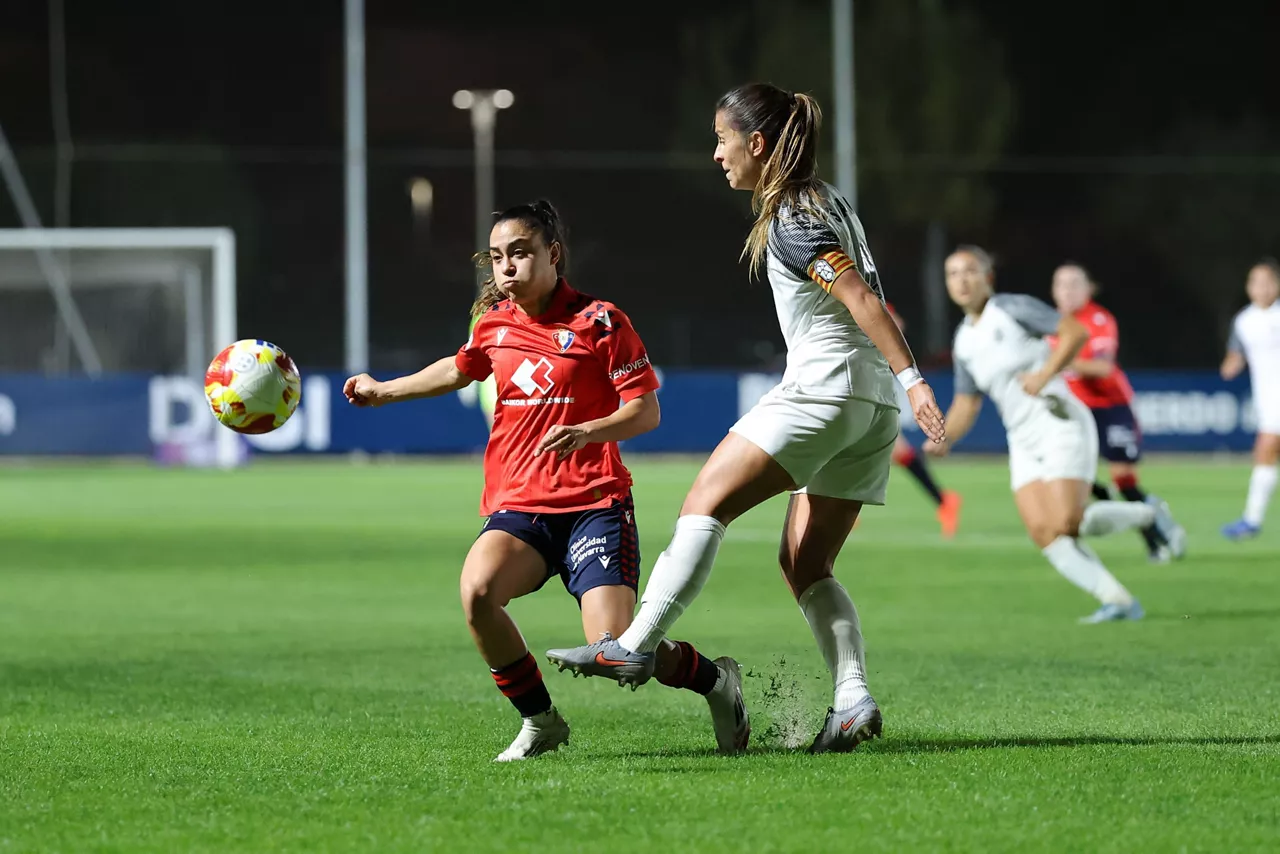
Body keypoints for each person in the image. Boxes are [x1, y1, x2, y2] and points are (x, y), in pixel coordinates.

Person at [547, 83, 947, 754]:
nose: (716, 153)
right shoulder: (828, 199)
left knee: (706, 502)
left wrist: (916, 381)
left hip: (829, 389)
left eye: (722, 139)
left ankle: (634, 646)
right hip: (869, 407)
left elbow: (856, 295)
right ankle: (851, 699)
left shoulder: (794, 214)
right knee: (805, 562)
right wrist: (898, 387)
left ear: (756, 144)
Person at [343, 200, 748, 761]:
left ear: (552, 254)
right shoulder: (494, 326)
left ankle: (716, 681)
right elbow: (457, 369)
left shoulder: (601, 321)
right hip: (521, 509)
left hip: (595, 505)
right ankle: (540, 721)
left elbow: (647, 412)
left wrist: (589, 430)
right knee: (478, 592)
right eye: (497, 257)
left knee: (616, 655)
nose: (506, 267)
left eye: (520, 253)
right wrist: (383, 390)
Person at [926, 246, 1181, 623]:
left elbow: (1073, 332)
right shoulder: (964, 340)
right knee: (1046, 534)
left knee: (1069, 521)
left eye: (970, 271)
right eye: (952, 274)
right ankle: (1119, 601)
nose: (961, 280)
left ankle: (1149, 515)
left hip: (1059, 421)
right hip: (1022, 440)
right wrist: (945, 436)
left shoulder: (1012, 309)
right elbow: (968, 403)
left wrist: (1045, 375)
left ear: (988, 277)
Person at [1048, 264, 1186, 562]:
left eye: (1075, 284)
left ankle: (1155, 538)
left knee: (1123, 478)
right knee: (1064, 471)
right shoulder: (1050, 324)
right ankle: (1131, 513)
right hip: (1077, 412)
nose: (1068, 290)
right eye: (1061, 284)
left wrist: (1060, 361)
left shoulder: (1098, 320)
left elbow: (1103, 367)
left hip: (1111, 407)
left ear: (1088, 289)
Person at [884, 302, 962, 537]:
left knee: (888, 448)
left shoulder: (861, 289)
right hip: (865, 380)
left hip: (873, 381)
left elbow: (897, 323)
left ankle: (944, 501)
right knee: (896, 450)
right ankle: (944, 501)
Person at [1220, 258, 1280, 539]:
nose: (1262, 288)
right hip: (1267, 399)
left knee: (1265, 450)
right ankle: (1251, 521)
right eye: (1256, 282)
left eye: (1267, 282)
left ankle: (1251, 520)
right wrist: (1231, 365)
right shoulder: (1244, 320)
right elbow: (1236, 354)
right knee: (1265, 453)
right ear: (1248, 287)